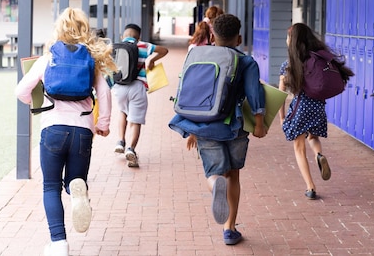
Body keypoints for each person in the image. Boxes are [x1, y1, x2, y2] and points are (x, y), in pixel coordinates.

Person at [14, 7, 116, 256]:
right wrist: (102, 124)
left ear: (58, 29)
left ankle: (59, 243)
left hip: (53, 129)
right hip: (82, 130)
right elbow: (104, 94)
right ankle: (76, 191)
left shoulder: (48, 58)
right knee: (75, 180)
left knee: (50, 186)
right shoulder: (91, 61)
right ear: (85, 30)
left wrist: (35, 103)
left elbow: (21, 91)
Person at [169, 14, 267, 246]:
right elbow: (255, 94)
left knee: (215, 173)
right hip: (234, 127)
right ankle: (229, 229)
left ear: (212, 36)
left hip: (204, 125)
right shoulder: (246, 61)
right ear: (239, 38)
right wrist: (260, 123)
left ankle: (215, 186)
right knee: (233, 174)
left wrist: (192, 128)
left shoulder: (196, 55)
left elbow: (191, 92)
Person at [278, 23, 353, 200]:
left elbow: (281, 94)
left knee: (299, 147)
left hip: (300, 107)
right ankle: (319, 154)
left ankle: (310, 187)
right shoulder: (317, 59)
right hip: (318, 107)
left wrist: (282, 117)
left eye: (288, 37)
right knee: (313, 136)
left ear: (293, 41)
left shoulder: (289, 65)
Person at [112, 23, 168, 168]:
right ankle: (130, 148)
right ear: (139, 37)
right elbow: (164, 50)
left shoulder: (116, 47)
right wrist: (151, 60)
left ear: (122, 36)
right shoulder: (143, 46)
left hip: (120, 87)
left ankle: (120, 141)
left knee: (123, 112)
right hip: (138, 87)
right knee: (135, 121)